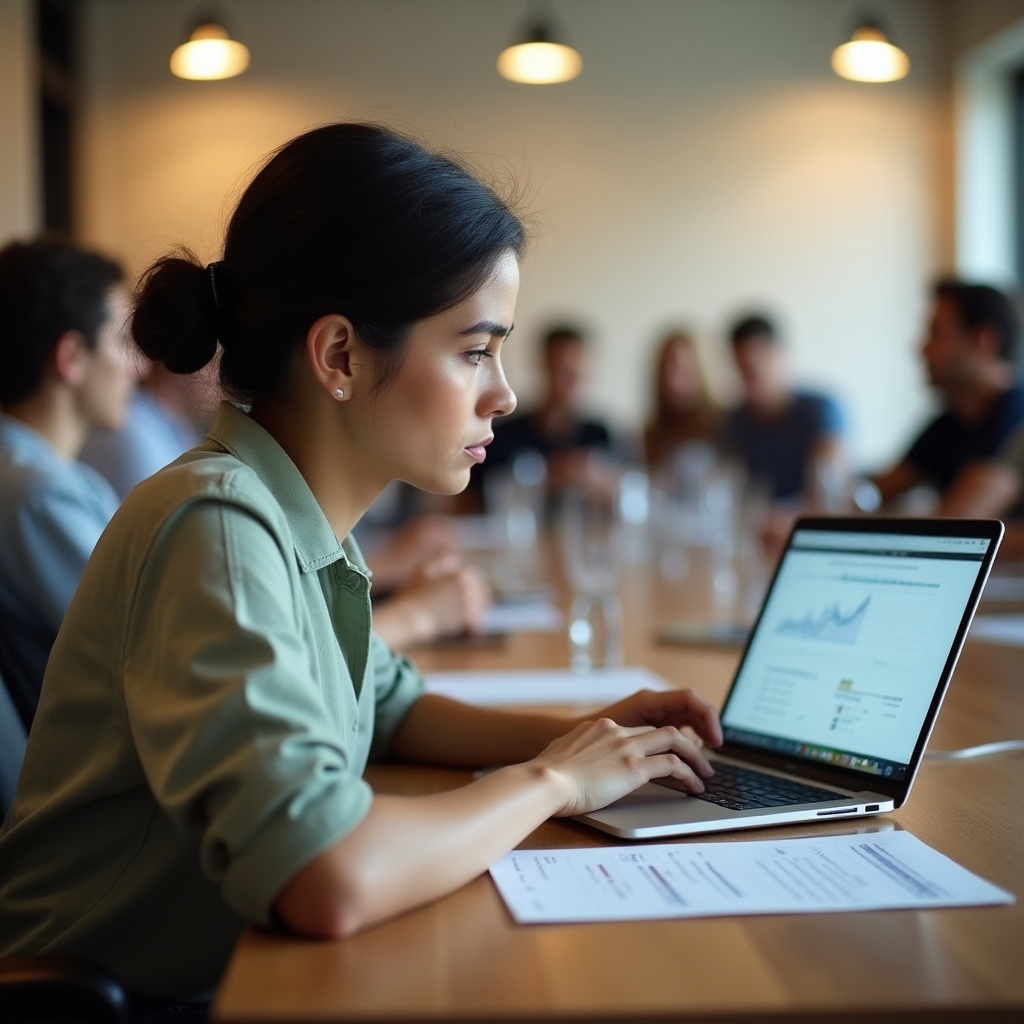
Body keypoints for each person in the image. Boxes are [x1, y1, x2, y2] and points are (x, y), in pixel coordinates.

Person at [0, 123, 722, 1017]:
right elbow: (325, 873)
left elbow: (389, 705)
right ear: (339, 355)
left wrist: (587, 730)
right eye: (474, 350)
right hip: (118, 1003)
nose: (506, 393)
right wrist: (556, 781)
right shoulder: (216, 526)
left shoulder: (296, 516)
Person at [0, 237, 138, 728]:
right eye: (123, 343)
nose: (137, 367)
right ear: (72, 357)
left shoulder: (37, 474)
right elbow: (148, 650)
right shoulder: (38, 494)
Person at [873, 280, 1024, 512]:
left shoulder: (1016, 419)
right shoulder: (949, 424)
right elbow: (876, 491)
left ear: (984, 340)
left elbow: (959, 523)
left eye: (936, 333)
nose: (921, 348)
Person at [473, 324, 613, 507]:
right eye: (561, 372)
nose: (568, 384)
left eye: (576, 375)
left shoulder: (600, 435)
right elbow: (481, 500)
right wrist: (551, 476)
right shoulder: (503, 435)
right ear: (543, 366)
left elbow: (623, 497)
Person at [720, 314, 844, 503]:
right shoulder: (736, 421)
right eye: (742, 370)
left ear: (780, 355)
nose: (750, 379)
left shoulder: (821, 411)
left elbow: (828, 495)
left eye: (756, 368)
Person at [643, 329, 719, 470]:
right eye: (665, 368)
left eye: (683, 368)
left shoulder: (726, 426)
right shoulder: (651, 434)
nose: (671, 379)